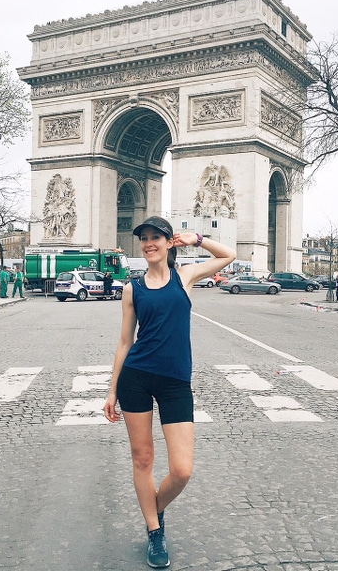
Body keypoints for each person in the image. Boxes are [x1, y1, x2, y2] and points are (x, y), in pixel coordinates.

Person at [104, 216, 236, 569]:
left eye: (156, 238)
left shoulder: (185, 276)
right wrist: (112, 390)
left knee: (182, 470)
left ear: (168, 242)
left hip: (175, 381)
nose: (149, 243)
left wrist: (197, 239)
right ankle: (154, 531)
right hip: (137, 377)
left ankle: (155, 507)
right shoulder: (133, 288)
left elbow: (228, 255)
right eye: (144, 238)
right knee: (143, 459)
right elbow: (123, 341)